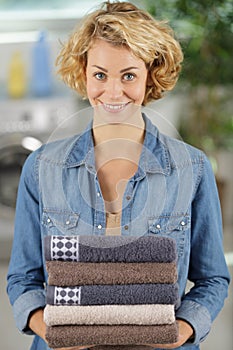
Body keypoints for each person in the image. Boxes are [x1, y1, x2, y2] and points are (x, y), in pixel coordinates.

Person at [7, 1, 230, 350]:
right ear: (83, 73)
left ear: (150, 75)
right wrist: (53, 332)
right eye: (100, 75)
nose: (113, 92)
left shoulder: (192, 168)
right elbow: (23, 278)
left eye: (128, 75)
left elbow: (213, 278)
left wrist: (181, 331)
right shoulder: (42, 168)